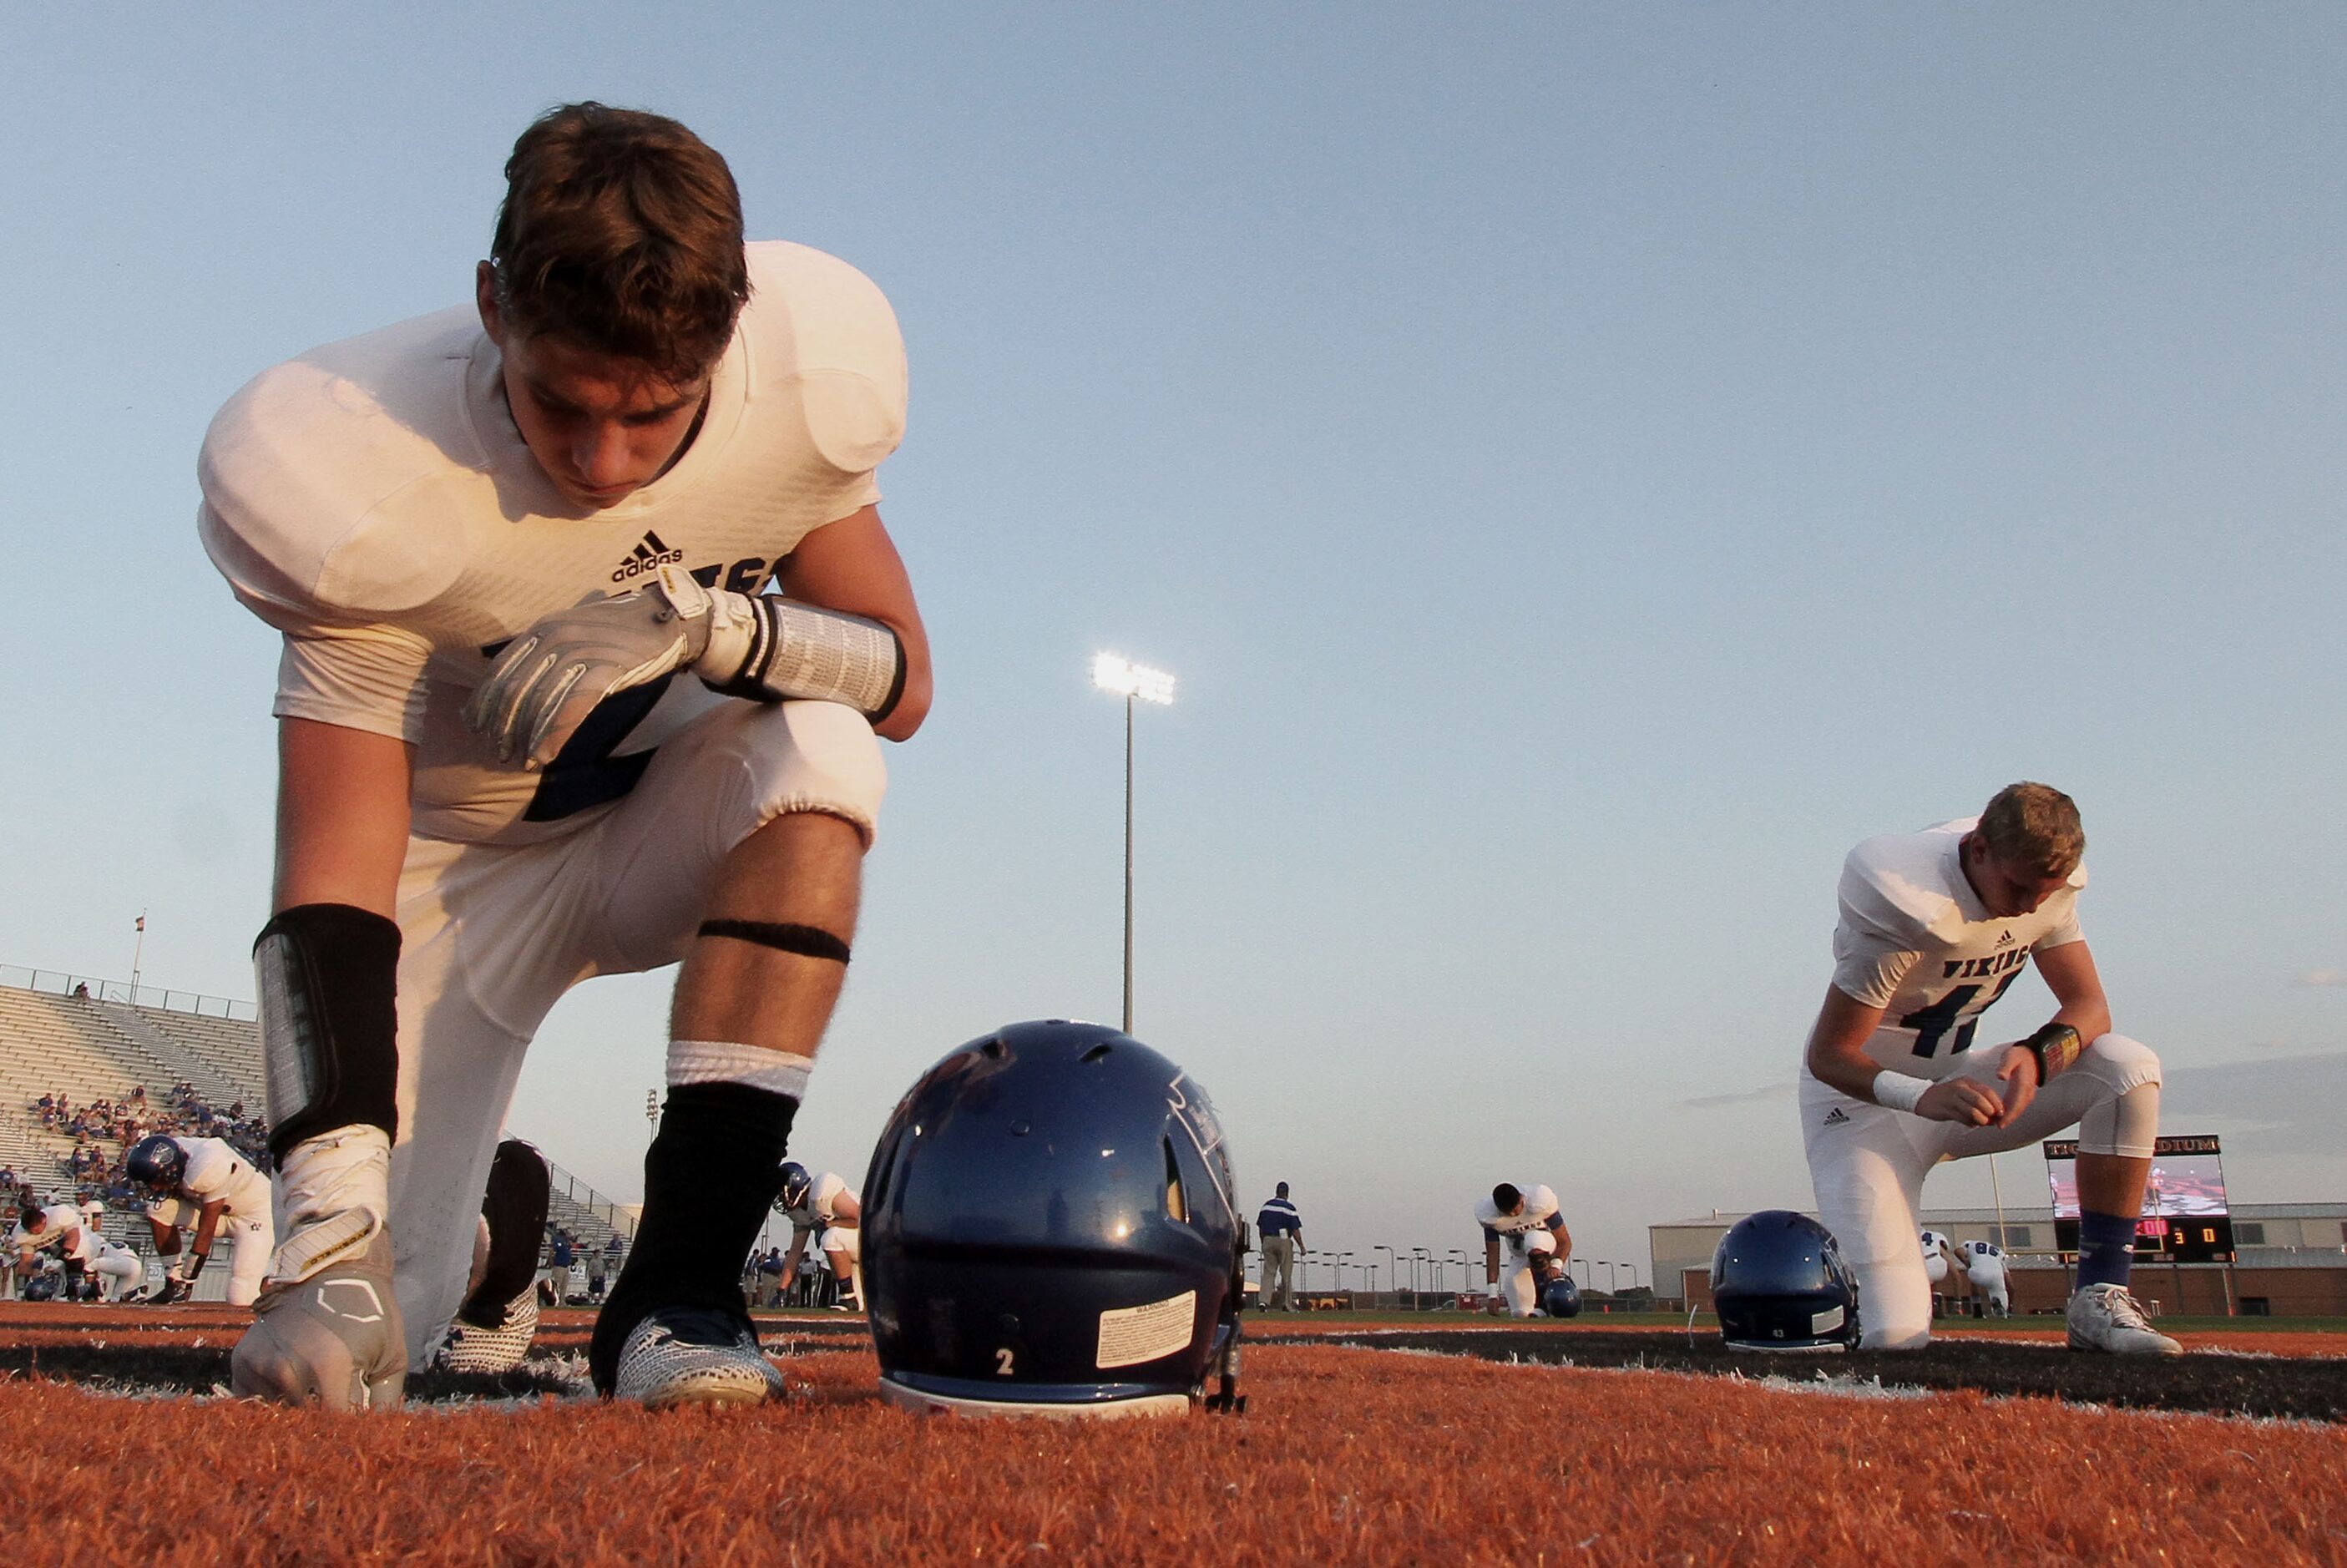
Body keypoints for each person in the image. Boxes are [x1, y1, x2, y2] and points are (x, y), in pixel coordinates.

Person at [199, 102, 932, 1410]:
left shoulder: (811, 382)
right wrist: (325, 1227)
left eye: (654, 416)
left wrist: (704, 622)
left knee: (820, 755)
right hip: (446, 866)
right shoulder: (356, 470)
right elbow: (331, 869)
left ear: (735, 324)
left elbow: (898, 678)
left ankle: (680, 1293)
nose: (602, 461)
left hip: (655, 815)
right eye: (558, 402)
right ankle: (480, 1246)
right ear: (490, 304)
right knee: (367, 1333)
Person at [1800, 783, 2177, 1354]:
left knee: (2127, 1068)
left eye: (2042, 892)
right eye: (2020, 887)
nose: (2029, 906)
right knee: (1896, 1337)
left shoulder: (2040, 883)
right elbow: (1829, 1055)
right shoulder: (1906, 898)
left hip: (1962, 1086)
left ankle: (2098, 1295)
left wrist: (2038, 1053)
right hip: (1861, 1111)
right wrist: (1919, 1097)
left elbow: (2089, 1008)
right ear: (1977, 849)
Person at [128, 1133, 276, 1307]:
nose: (153, 1187)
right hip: (223, 1212)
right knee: (158, 1210)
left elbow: (206, 1231)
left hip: (255, 1215)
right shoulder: (176, 1152)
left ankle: (279, 1281)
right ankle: (172, 1283)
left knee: (240, 1297)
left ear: (171, 1171)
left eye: (155, 1181)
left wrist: (189, 1280)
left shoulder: (207, 1167)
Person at [1474, 1182, 1572, 1318]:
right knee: (1520, 1313)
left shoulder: (1539, 1200)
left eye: (1515, 1209)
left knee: (1534, 1239)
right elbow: (1492, 1255)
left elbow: (1564, 1241)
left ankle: (1546, 1296)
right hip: (1518, 1254)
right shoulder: (1489, 1216)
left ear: (1522, 1199)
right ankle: (1539, 1312)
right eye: (1507, 1213)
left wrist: (1556, 1266)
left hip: (1544, 1242)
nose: (1513, 1214)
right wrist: (1492, 1295)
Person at [772, 1165, 862, 1313]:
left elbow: (861, 1218)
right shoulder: (798, 1214)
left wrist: (831, 1223)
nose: (780, 1196)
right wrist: (781, 1290)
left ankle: (848, 1297)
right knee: (858, 1311)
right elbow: (795, 1253)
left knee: (830, 1238)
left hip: (871, 1239)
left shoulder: (821, 1191)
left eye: (782, 1192)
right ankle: (850, 1299)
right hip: (852, 1249)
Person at [1255, 1182, 1302, 1311]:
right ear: (1287, 1193)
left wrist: (1263, 1242)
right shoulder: (1289, 1208)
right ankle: (1287, 1304)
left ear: (1276, 1192)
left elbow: (1260, 1227)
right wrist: (1302, 1247)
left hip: (1268, 1239)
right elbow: (1295, 1230)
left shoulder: (1266, 1206)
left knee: (1269, 1272)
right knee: (1286, 1273)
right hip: (1283, 1240)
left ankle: (1263, 1302)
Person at [1958, 1238, 2011, 1318]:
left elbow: (1958, 1251)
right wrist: (2011, 1305)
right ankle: (2002, 1309)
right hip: (1996, 1275)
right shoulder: (1999, 1252)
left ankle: (1977, 1308)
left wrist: (1967, 1263)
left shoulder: (1970, 1244)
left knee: (1975, 1280)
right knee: (1999, 1295)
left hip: (1977, 1273)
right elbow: (2010, 1284)